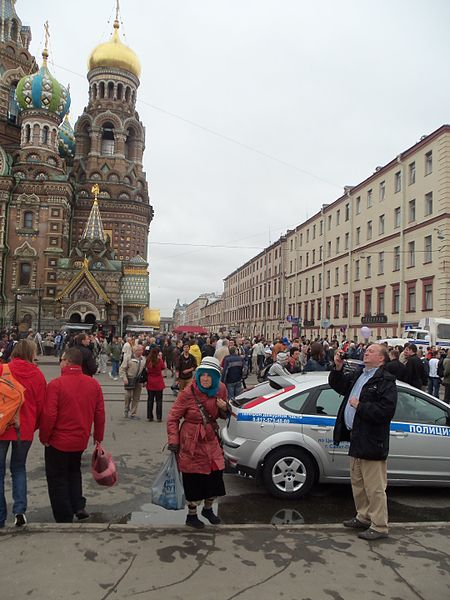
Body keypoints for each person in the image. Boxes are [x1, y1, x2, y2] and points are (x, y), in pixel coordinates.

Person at [329, 344, 397, 540]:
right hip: (356, 437)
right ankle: (364, 517)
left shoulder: (385, 381)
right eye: (366, 350)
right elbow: (339, 386)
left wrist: (360, 406)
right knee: (358, 482)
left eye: (372, 351)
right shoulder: (360, 374)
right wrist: (338, 367)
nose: (366, 352)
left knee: (374, 487)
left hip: (372, 440)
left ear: (381, 359)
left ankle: (379, 526)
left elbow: (385, 412)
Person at [39, 348, 105, 523]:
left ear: (67, 362)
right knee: (74, 472)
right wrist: (98, 437)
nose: (59, 362)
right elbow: (100, 413)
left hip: (58, 441)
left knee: (57, 478)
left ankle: (64, 516)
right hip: (80, 439)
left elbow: (49, 415)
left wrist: (44, 438)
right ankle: (78, 505)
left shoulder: (56, 384)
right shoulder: (93, 384)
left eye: (61, 359)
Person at [167, 356, 230, 529]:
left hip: (211, 438)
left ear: (216, 377)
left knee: (215, 475)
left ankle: (208, 509)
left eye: (210, 376)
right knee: (193, 478)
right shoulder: (188, 392)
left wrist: (225, 408)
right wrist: (173, 440)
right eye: (202, 375)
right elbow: (173, 418)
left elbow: (225, 415)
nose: (205, 379)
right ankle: (191, 515)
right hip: (191, 441)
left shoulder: (221, 389)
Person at [0, 340, 46, 528]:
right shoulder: (38, 375)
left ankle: (0, 516)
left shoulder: (3, 369)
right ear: (31, 353)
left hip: (1, 427)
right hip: (24, 429)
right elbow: (42, 407)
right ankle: (19, 511)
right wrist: (33, 427)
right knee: (18, 468)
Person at [119, 344, 146, 419]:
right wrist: (124, 378)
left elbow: (144, 371)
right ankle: (126, 409)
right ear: (135, 351)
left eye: (142, 350)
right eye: (140, 350)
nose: (141, 351)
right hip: (129, 379)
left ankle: (133, 413)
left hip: (138, 380)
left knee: (136, 397)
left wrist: (144, 381)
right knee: (128, 396)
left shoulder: (143, 359)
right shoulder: (128, 358)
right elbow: (122, 369)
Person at [145, 347, 165, 422]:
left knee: (150, 400)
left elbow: (146, 369)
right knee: (159, 401)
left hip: (150, 381)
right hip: (158, 382)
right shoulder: (159, 361)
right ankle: (159, 417)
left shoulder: (148, 361)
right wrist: (160, 358)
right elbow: (163, 368)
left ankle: (150, 416)